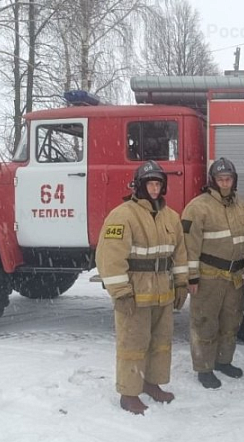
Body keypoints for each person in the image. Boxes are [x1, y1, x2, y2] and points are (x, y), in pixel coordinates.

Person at [96, 160, 188, 415]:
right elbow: (109, 259)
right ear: (139, 186)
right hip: (135, 296)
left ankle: (151, 382)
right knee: (133, 344)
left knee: (160, 343)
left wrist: (181, 283)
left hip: (163, 294)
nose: (155, 189)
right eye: (150, 183)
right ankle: (129, 392)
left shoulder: (172, 217)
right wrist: (121, 293)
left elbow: (180, 253)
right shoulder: (122, 215)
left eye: (158, 184)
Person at [181, 158, 244, 389]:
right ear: (212, 181)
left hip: (235, 278)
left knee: (230, 322)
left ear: (234, 181)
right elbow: (189, 246)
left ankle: (224, 361)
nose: (225, 183)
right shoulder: (197, 207)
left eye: (229, 178)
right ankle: (204, 367)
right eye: (220, 179)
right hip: (208, 277)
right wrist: (191, 277)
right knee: (205, 323)